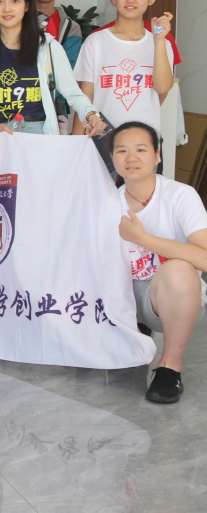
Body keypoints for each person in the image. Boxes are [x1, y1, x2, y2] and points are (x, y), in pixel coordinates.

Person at [112, 121, 207, 404]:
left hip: (172, 299)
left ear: (157, 156)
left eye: (141, 149)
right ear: (112, 157)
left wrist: (142, 238)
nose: (131, 157)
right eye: (122, 150)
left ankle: (170, 367)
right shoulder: (106, 201)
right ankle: (133, 332)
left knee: (178, 269)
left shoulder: (180, 195)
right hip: (122, 300)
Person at [0, 0, 104, 145]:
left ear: (26, 5)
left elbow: (73, 94)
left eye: (15, 1)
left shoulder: (49, 47)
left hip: (40, 136)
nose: (7, 8)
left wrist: (91, 115)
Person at [74, 0, 175, 137]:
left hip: (145, 140)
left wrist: (158, 41)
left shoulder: (162, 43)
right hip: (103, 138)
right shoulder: (95, 41)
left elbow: (163, 88)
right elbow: (86, 96)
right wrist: (77, 140)